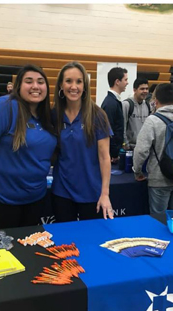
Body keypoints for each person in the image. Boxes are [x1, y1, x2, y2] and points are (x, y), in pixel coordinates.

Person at [0, 65, 57, 229]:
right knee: (2, 253)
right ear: (18, 85)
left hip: (35, 199)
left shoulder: (47, 115)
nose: (35, 86)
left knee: (27, 252)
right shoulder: (5, 106)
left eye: (40, 82)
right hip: (1, 200)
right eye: (29, 81)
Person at [51, 61, 114, 222]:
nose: (74, 86)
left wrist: (105, 193)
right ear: (61, 85)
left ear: (85, 86)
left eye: (79, 81)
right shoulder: (54, 115)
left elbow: (104, 157)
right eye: (69, 81)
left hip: (92, 192)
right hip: (62, 192)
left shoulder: (97, 115)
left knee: (91, 242)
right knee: (64, 243)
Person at [132, 83, 173, 215]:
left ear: (155, 102)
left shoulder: (152, 121)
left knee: (158, 219)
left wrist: (137, 171)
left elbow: (141, 150)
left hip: (159, 179)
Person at [100, 67, 128, 163]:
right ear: (117, 81)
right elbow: (108, 130)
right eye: (125, 80)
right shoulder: (110, 103)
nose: (127, 83)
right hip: (111, 156)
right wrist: (113, 153)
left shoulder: (114, 101)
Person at [121, 78, 151, 149]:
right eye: (142, 89)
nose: (145, 91)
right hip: (129, 148)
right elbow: (122, 126)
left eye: (147, 89)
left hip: (143, 148)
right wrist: (125, 144)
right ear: (135, 90)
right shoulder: (126, 104)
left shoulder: (147, 105)